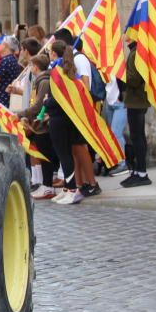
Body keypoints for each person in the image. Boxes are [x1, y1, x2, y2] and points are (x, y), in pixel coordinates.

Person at [52, 29, 99, 196]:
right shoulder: (65, 64)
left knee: (80, 148)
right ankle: (81, 183)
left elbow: (84, 85)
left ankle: (92, 183)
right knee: (74, 149)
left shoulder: (79, 60)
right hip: (71, 113)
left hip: (80, 111)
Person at [46, 41, 86, 204]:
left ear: (55, 54)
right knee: (64, 155)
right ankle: (67, 189)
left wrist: (45, 103)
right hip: (66, 119)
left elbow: (56, 99)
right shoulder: (68, 73)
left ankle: (72, 189)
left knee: (64, 155)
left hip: (58, 118)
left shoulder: (57, 73)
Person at [17, 54, 58, 199]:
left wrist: (22, 113)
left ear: (36, 66)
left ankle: (48, 186)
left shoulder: (44, 82)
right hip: (37, 124)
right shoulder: (39, 81)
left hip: (43, 125)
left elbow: (39, 104)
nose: (30, 68)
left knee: (45, 156)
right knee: (40, 154)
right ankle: (45, 185)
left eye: (31, 65)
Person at [120, 41, 153, 188]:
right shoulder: (136, 51)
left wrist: (120, 73)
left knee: (137, 137)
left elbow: (134, 79)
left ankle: (141, 173)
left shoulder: (136, 53)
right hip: (137, 101)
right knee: (137, 136)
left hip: (137, 101)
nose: (125, 35)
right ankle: (138, 171)